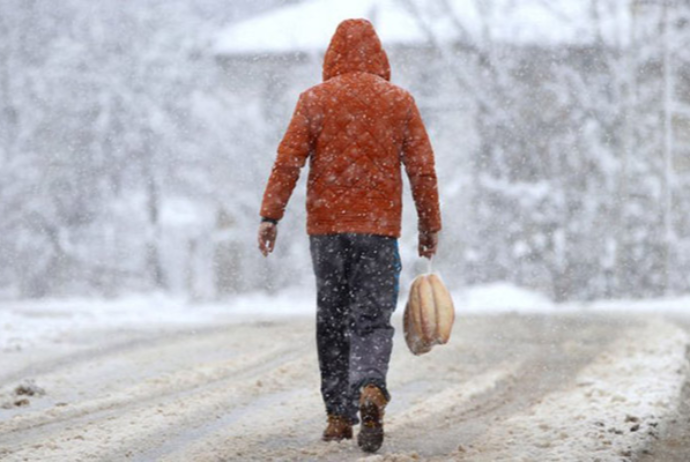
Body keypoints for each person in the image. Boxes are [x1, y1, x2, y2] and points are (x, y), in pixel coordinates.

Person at [257, 18, 441, 453]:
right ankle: (371, 385)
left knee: (332, 317)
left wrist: (270, 215)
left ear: (332, 56)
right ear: (380, 56)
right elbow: (422, 169)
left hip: (327, 229)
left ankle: (339, 415)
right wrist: (430, 224)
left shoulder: (314, 100)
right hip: (378, 232)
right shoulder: (399, 102)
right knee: (372, 318)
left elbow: (288, 162)